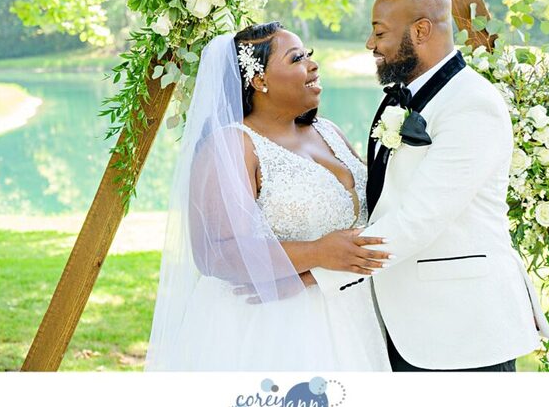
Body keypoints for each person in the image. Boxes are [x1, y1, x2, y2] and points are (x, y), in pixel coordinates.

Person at [311, 0, 549, 372]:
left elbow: (418, 219)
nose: (371, 44)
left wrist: (311, 268)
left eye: (379, 32)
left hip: (463, 330)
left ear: (420, 30)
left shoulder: (472, 105)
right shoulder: (402, 96)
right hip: (404, 322)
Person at [144, 22, 392, 371]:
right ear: (259, 80)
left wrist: (319, 271)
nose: (312, 64)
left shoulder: (328, 131)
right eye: (296, 59)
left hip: (351, 313)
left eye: (309, 55)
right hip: (272, 328)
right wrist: (318, 252)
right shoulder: (232, 145)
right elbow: (215, 253)